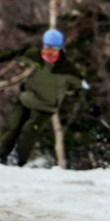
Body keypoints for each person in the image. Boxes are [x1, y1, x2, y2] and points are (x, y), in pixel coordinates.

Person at [0, 29, 87, 166]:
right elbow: (12, 54)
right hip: (25, 100)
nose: (49, 52)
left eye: (53, 49)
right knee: (13, 128)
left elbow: (82, 89)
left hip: (45, 108)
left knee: (29, 130)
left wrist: (91, 104)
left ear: (59, 50)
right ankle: (1, 155)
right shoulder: (34, 55)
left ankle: (19, 162)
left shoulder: (67, 70)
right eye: (46, 48)